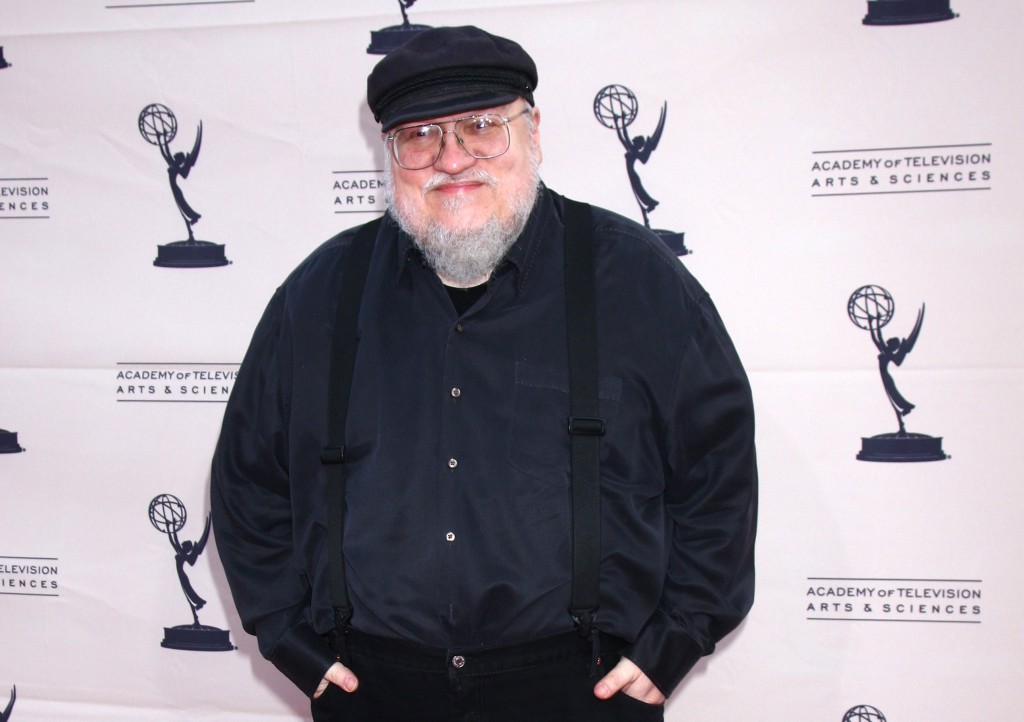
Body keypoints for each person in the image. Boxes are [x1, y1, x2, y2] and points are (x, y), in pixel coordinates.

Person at [211, 25, 757, 722]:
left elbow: (719, 472)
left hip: (581, 690)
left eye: (479, 126)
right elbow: (246, 485)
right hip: (373, 691)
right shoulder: (318, 295)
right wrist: (288, 639)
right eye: (420, 135)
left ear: (533, 132)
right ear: (391, 154)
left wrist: (676, 640)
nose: (451, 158)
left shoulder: (638, 283)